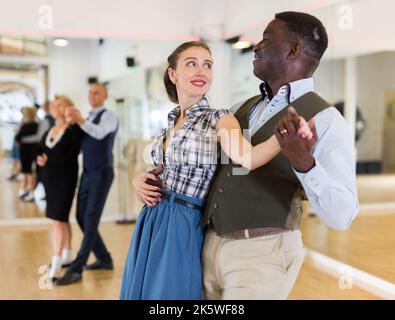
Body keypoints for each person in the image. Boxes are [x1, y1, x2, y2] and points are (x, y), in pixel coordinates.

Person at [120, 41, 313, 300]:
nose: (201, 71)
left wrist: (283, 137)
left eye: (207, 65)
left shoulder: (219, 118)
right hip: (152, 219)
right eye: (192, 64)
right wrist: (138, 181)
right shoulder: (170, 121)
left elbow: (249, 158)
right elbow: (161, 170)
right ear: (173, 74)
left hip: (183, 222)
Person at [198, 11, 359, 299]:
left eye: (267, 38)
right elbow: (222, 174)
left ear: (293, 49)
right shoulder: (240, 108)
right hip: (209, 249)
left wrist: (305, 164)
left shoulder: (326, 121)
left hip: (262, 256)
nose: (256, 46)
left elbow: (342, 215)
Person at [56, 83, 118, 285]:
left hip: (102, 173)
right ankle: (104, 259)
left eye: (96, 92)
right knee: (81, 217)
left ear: (105, 96)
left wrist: (79, 120)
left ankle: (77, 268)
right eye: (90, 92)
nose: (92, 96)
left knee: (90, 220)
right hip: (88, 173)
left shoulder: (109, 116)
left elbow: (100, 134)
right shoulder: (87, 116)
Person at [36, 95, 84, 283]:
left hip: (65, 180)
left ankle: (55, 266)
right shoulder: (50, 130)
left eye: (60, 104)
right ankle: (67, 255)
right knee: (61, 219)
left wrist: (74, 119)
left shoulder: (73, 130)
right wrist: (41, 159)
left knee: (57, 219)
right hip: (50, 180)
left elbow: (72, 151)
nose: (56, 107)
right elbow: (41, 152)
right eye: (54, 105)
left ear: (67, 108)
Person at [15, 107, 39, 202]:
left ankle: (31, 192)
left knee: (27, 171)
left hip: (25, 150)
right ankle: (25, 190)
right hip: (32, 150)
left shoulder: (25, 126)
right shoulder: (36, 125)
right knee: (28, 171)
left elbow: (17, 138)